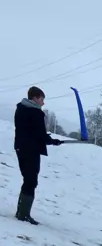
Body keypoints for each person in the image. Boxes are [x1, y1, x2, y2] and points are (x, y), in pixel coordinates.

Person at [14, 86, 63, 225]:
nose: (43, 103)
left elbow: (29, 130)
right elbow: (39, 134)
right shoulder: (35, 112)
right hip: (30, 149)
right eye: (42, 99)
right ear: (35, 98)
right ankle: (23, 215)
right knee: (31, 181)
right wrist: (53, 141)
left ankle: (21, 212)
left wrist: (46, 138)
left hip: (20, 147)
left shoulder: (21, 108)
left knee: (27, 179)